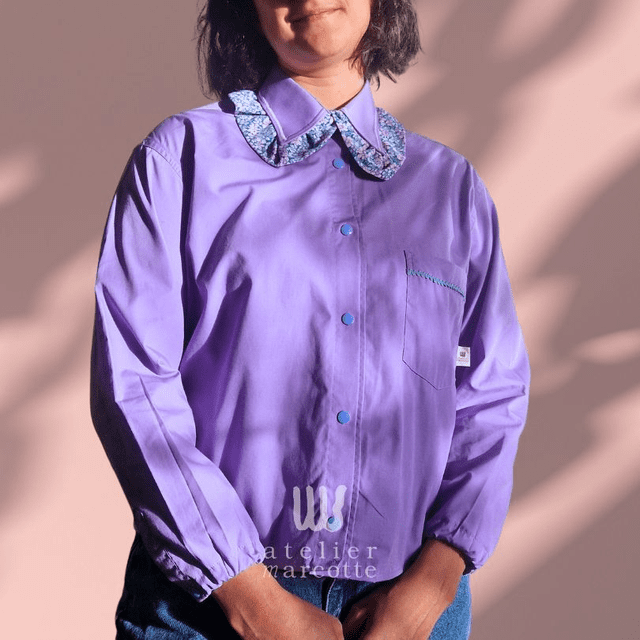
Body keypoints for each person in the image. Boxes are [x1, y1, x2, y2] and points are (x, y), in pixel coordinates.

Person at [90, 0, 530, 638]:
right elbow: (133, 384)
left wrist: (437, 578)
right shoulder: (180, 160)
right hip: (207, 606)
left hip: (410, 606)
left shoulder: (451, 189)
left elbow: (491, 394)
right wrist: (251, 599)